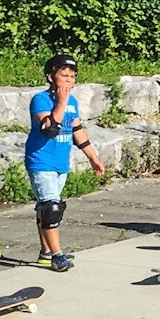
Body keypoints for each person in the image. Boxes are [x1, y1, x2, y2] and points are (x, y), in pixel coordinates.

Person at [26, 52, 108, 272]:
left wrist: (92, 157)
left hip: (61, 162)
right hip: (41, 160)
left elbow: (77, 130)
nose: (69, 80)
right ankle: (57, 255)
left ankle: (45, 252)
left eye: (72, 76)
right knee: (51, 208)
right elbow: (50, 129)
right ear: (51, 77)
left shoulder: (72, 102)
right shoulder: (40, 100)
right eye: (64, 75)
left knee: (48, 208)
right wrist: (60, 102)